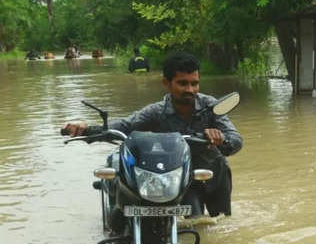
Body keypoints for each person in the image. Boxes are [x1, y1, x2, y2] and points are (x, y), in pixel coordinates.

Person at [63, 51, 243, 216]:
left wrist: (221, 139)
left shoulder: (211, 106)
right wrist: (87, 129)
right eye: (182, 83)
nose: (190, 90)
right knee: (190, 224)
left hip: (212, 174)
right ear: (167, 83)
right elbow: (124, 126)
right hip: (176, 176)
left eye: (194, 83)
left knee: (221, 224)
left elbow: (236, 139)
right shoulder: (156, 112)